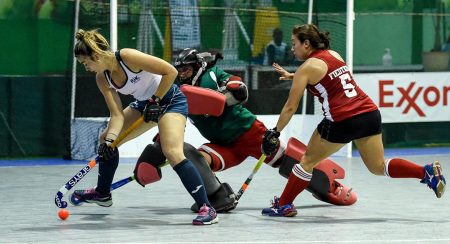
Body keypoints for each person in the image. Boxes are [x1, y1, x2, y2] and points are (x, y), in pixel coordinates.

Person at [261, 23, 446, 217]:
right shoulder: (334, 55)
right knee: (378, 166)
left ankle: (284, 205)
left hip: (342, 121)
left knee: (306, 161)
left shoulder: (306, 68)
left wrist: (275, 131)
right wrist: (295, 76)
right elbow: (328, 78)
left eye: (294, 43)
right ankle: (425, 172)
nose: (292, 48)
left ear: (306, 43)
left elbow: (290, 106)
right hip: (369, 114)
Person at [173, 47, 358, 213]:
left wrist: (227, 94)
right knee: (195, 160)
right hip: (223, 146)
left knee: (287, 161)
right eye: (180, 71)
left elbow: (240, 89)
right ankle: (215, 197)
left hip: (249, 134)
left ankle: (330, 187)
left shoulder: (212, 74)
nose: (182, 74)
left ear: (197, 66)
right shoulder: (181, 92)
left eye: (186, 69)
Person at [70, 29, 218, 225]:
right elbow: (116, 115)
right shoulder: (102, 78)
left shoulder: (127, 56)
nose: (85, 67)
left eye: (85, 62)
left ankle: (206, 208)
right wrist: (109, 141)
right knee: (106, 140)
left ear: (96, 56)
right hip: (144, 105)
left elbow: (170, 71)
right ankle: (102, 194)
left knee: (172, 152)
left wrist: (155, 100)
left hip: (170, 100)